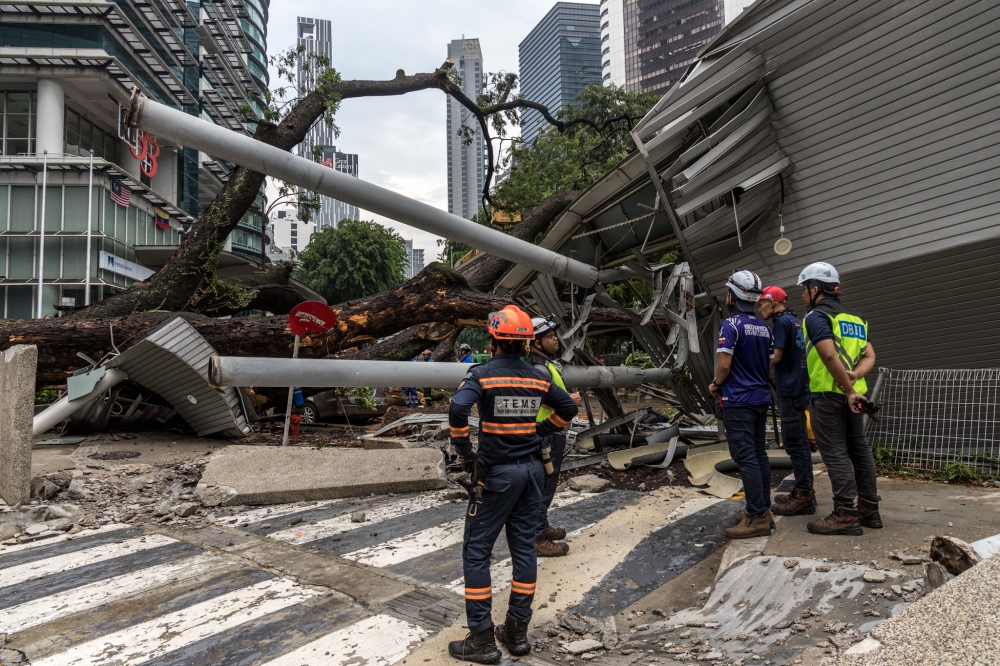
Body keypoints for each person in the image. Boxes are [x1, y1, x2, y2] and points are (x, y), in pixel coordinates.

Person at [448, 305, 578, 664]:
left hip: (497, 475)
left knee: (477, 552)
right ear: (525, 343)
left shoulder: (482, 375)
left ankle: (481, 640)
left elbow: (458, 409)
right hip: (532, 471)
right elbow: (568, 408)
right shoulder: (539, 376)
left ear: (493, 340)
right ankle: (516, 632)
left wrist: (464, 450)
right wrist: (541, 430)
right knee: (523, 550)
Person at [798, 261, 880, 535]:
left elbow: (828, 355)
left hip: (829, 395)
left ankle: (845, 514)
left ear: (814, 288)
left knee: (835, 453)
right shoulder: (857, 318)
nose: (802, 295)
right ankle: (869, 509)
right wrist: (854, 380)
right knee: (859, 449)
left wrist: (846, 390)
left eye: (803, 289)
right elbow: (870, 356)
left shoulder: (815, 317)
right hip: (856, 395)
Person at [709, 270, 775, 540]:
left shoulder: (731, 325)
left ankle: (756, 517)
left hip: (738, 400)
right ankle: (762, 510)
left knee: (746, 457)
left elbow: (724, 365)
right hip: (760, 398)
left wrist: (716, 383)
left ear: (732, 295)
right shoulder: (764, 328)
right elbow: (769, 362)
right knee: (759, 455)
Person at [757, 286, 817, 516]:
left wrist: (753, 367)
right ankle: (803, 490)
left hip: (790, 389)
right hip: (799, 386)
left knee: (795, 442)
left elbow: (777, 356)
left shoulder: (781, 323)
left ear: (772, 303)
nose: (759, 308)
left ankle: (804, 496)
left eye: (762, 303)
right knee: (798, 440)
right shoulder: (795, 320)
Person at [529, 317, 572, 558]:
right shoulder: (538, 367)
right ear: (536, 342)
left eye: (554, 334)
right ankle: (537, 539)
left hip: (551, 433)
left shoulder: (545, 364)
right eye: (549, 336)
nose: (556, 338)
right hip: (546, 435)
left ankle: (541, 526)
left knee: (547, 486)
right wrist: (569, 402)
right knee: (543, 489)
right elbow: (540, 397)